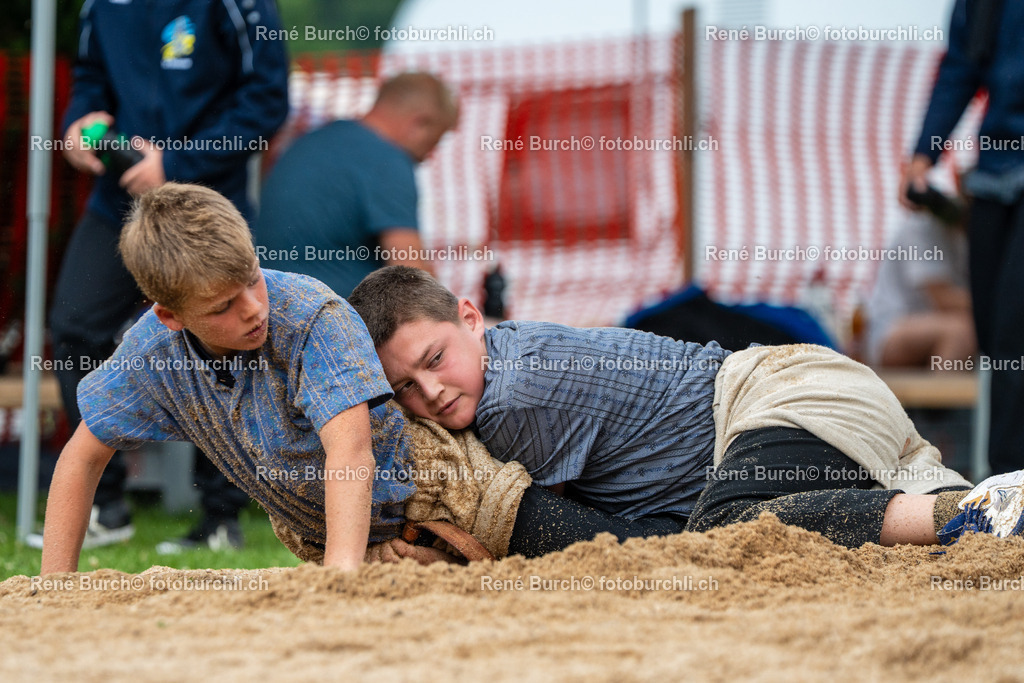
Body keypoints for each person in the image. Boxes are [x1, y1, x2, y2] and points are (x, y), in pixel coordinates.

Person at [39, 183, 686, 575]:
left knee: (612, 553)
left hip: (439, 487)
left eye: (252, 282)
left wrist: (340, 580)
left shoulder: (312, 314)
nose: (252, 309)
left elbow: (349, 450)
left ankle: (735, 528)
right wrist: (55, 588)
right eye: (223, 308)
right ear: (170, 316)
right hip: (341, 529)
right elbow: (81, 455)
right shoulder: (152, 353)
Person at [349, 265, 1024, 551]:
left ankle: (968, 513)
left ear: (470, 316)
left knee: (729, 531)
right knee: (764, 520)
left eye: (434, 359)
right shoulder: (501, 353)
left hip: (778, 395)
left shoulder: (511, 400)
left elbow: (579, 536)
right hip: (792, 404)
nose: (429, 394)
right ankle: (989, 503)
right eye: (404, 387)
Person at [46, 0, 290, 549]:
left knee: (227, 334)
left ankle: (220, 517)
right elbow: (91, 78)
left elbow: (267, 100)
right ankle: (105, 508)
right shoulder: (98, 5)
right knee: (73, 325)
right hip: (118, 204)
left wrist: (178, 161)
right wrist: (80, 123)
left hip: (206, 199)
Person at [900, 0, 1024, 474]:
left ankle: (1010, 483)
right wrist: (923, 153)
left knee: (1016, 331)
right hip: (995, 176)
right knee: (995, 333)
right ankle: (1007, 484)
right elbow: (960, 68)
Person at [252, 72, 457, 297]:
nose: (429, 156)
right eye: (434, 141)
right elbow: (411, 275)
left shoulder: (311, 142)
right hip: (335, 317)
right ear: (420, 123)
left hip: (273, 305)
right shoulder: (386, 159)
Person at [865, 211, 975, 368]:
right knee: (962, 331)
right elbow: (943, 299)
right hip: (887, 332)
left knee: (967, 328)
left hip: (929, 329)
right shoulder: (922, 227)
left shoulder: (965, 234)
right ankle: (943, 392)